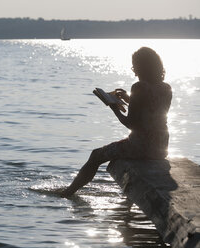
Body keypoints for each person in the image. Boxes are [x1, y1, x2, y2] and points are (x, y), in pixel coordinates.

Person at [61, 47, 172, 197]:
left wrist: (114, 108)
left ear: (142, 67)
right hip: (161, 147)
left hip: (141, 147)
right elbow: (152, 110)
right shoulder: (166, 88)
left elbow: (131, 124)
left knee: (95, 155)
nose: (134, 72)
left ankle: (68, 192)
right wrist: (129, 99)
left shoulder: (139, 87)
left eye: (136, 67)